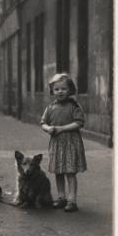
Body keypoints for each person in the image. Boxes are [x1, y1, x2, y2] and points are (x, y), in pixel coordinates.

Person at [40, 73, 87, 212]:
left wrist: (62, 129)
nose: (60, 92)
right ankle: (61, 197)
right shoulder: (50, 108)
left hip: (71, 143)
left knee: (70, 172)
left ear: (70, 90)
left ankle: (72, 200)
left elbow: (79, 123)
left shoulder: (74, 106)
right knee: (58, 172)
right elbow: (43, 122)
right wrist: (48, 128)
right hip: (56, 143)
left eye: (63, 89)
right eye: (57, 89)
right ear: (52, 91)